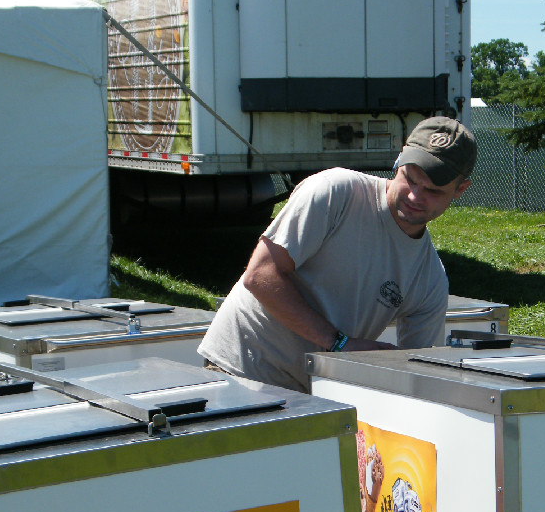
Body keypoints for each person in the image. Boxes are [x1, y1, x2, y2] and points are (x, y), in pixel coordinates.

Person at [197, 116, 478, 393]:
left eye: (432, 190)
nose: (415, 196)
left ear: (460, 189)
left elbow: (420, 373)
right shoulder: (336, 192)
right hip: (240, 370)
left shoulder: (429, 280)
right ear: (400, 159)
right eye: (411, 178)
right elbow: (260, 275)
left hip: (315, 396)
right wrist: (340, 343)